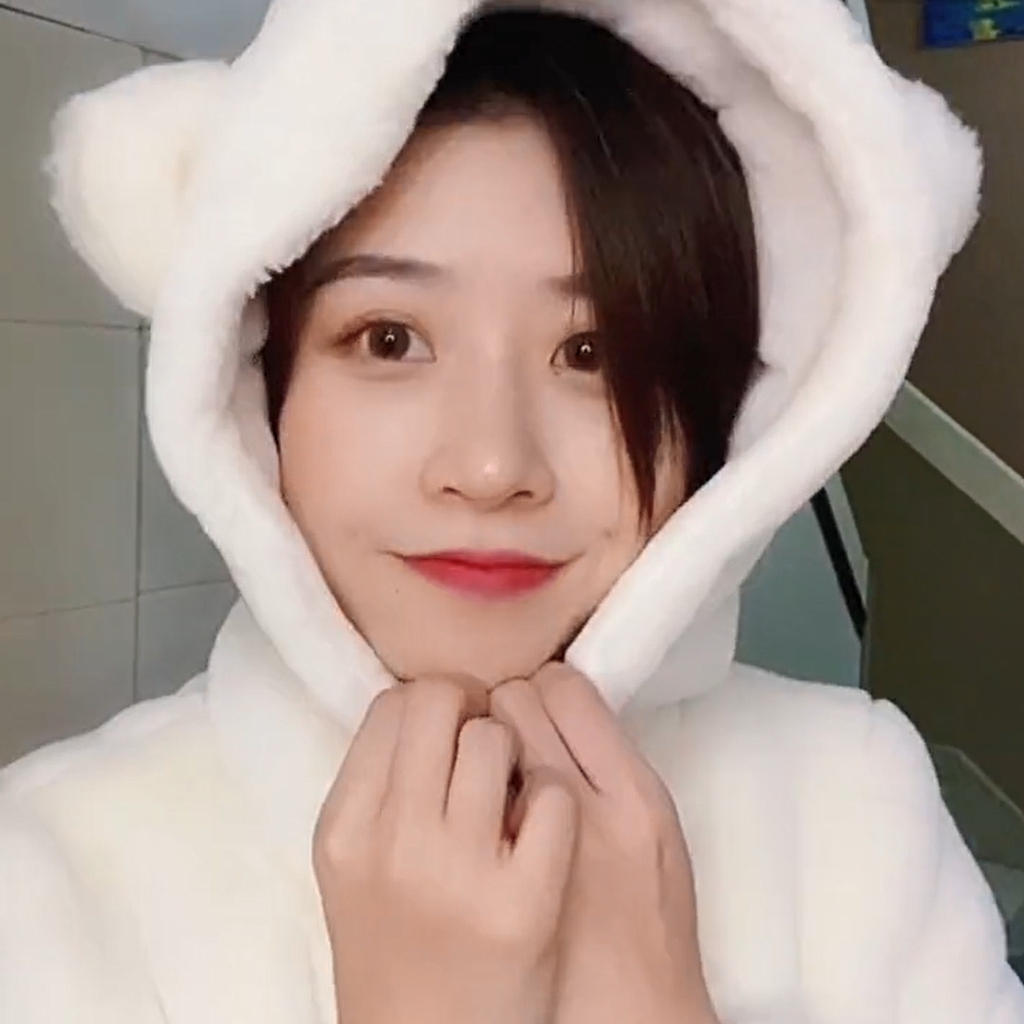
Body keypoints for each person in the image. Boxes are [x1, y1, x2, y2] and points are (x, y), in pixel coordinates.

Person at [0, 2, 1020, 1023]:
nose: (491, 467)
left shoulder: (862, 814)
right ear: (255, 385)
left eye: (593, 353)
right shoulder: (47, 877)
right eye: (390, 339)